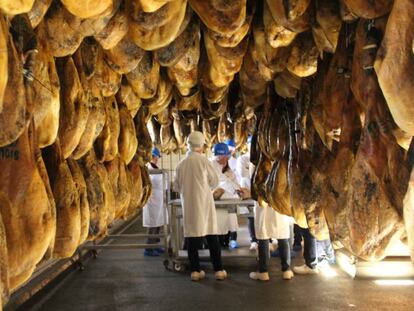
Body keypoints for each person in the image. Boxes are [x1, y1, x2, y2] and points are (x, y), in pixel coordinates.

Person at [173, 131, 228, 281]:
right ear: (201, 145)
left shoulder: (180, 165)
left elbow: (176, 187)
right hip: (205, 205)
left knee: (192, 239)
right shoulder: (204, 161)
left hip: (190, 206)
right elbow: (215, 181)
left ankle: (195, 271)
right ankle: (218, 270)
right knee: (212, 237)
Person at [210, 143, 240, 249]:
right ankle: (219, 243)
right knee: (218, 225)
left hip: (228, 201)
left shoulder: (225, 166)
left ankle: (227, 241)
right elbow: (222, 181)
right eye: (224, 157)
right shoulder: (211, 164)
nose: (226, 160)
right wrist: (236, 190)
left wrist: (238, 188)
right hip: (217, 202)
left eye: (227, 158)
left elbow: (233, 181)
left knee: (228, 223)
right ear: (218, 156)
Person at [143, 147, 168, 257]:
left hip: (159, 200)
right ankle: (148, 249)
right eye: (156, 157)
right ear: (152, 156)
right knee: (152, 225)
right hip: (152, 201)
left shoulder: (155, 167)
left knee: (158, 225)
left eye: (157, 157)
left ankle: (156, 246)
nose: (157, 159)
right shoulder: (146, 168)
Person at [236, 136, 258, 250]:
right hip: (246, 190)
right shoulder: (242, 159)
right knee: (251, 216)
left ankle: (266, 239)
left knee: (261, 215)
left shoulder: (261, 157)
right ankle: (253, 240)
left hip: (258, 191)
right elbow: (243, 175)